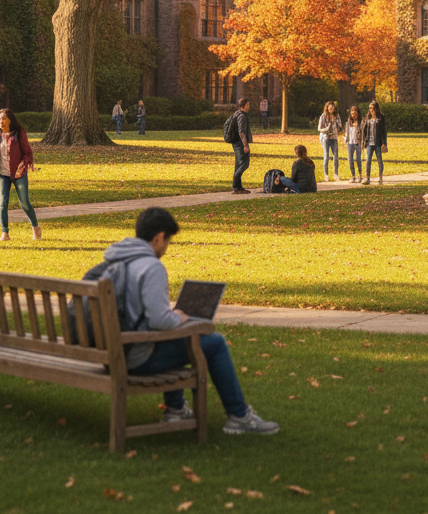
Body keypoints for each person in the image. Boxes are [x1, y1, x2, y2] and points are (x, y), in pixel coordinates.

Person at [94, 207, 279, 434]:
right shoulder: (151, 267)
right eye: (168, 241)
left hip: (109, 352)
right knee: (214, 343)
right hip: (134, 357)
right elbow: (162, 322)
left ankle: (175, 409)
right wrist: (178, 317)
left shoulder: (117, 260)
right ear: (160, 237)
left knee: (182, 340)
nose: (166, 248)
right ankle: (239, 415)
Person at [0, 108, 42, 242]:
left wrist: (24, 164)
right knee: (2, 204)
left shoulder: (19, 133)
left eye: (3, 119)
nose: (1, 121)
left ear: (10, 119)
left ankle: (36, 227)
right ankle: (5, 234)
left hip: (18, 174)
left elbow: (28, 153)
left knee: (25, 203)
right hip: (1, 174)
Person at [363, 99, 388, 185]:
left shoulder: (380, 118)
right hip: (369, 142)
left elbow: (384, 131)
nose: (371, 110)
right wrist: (363, 142)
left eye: (373, 108)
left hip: (378, 143)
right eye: (370, 108)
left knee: (379, 160)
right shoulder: (368, 118)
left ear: (376, 108)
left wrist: (384, 143)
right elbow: (364, 130)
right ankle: (367, 178)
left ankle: (380, 177)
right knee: (368, 160)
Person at [231, 97, 252, 194]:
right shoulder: (242, 116)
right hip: (240, 143)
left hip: (236, 143)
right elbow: (241, 132)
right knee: (244, 163)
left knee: (239, 164)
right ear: (243, 106)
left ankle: (238, 187)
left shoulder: (236, 114)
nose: (249, 107)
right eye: (247, 105)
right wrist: (245, 145)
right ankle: (236, 186)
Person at [317, 101, 342, 182]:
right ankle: (326, 175)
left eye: (332, 108)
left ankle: (336, 174)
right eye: (330, 108)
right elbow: (319, 128)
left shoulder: (336, 116)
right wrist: (326, 128)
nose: (331, 109)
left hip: (334, 137)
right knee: (326, 156)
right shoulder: (323, 116)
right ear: (327, 108)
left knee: (336, 156)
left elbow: (340, 126)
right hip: (325, 137)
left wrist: (339, 126)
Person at [344, 105, 363, 183]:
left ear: (357, 113)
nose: (353, 115)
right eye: (352, 114)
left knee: (358, 159)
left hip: (357, 143)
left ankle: (360, 175)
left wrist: (361, 141)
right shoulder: (348, 122)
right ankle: (353, 176)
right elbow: (347, 132)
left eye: (355, 114)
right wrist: (346, 139)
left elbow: (362, 133)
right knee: (350, 159)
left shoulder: (361, 122)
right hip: (349, 142)